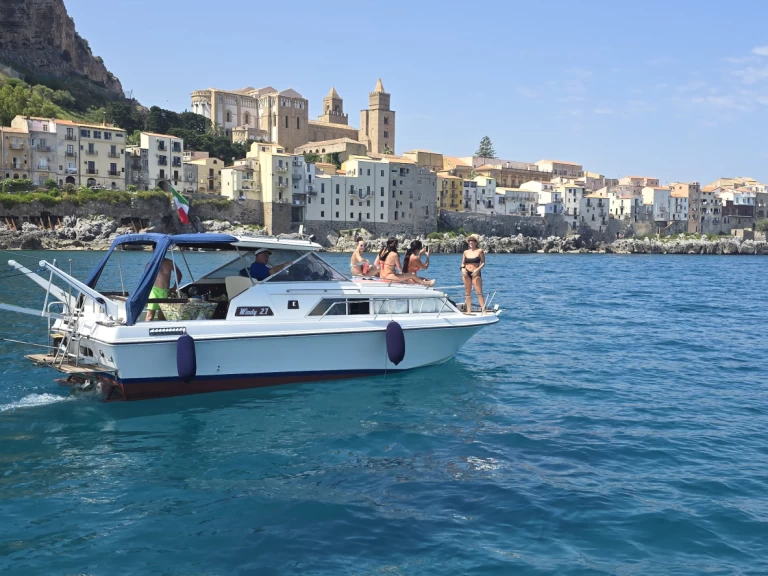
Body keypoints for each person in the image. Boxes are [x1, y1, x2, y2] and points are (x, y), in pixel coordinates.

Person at [145, 252, 182, 321]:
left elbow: (179, 274)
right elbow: (145, 280)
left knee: (162, 317)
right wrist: (145, 294)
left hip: (165, 291)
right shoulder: (150, 264)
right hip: (154, 291)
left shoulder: (170, 262)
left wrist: (174, 288)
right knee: (150, 316)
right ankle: (144, 331)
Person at [461, 234, 486, 314]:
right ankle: (469, 310)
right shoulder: (465, 252)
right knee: (467, 291)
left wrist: (477, 270)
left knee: (479, 292)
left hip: (476, 273)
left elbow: (483, 263)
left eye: (473, 240)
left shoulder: (480, 251)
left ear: (476, 242)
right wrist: (462, 269)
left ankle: (484, 310)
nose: (471, 242)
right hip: (466, 273)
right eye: (470, 240)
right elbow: (463, 263)